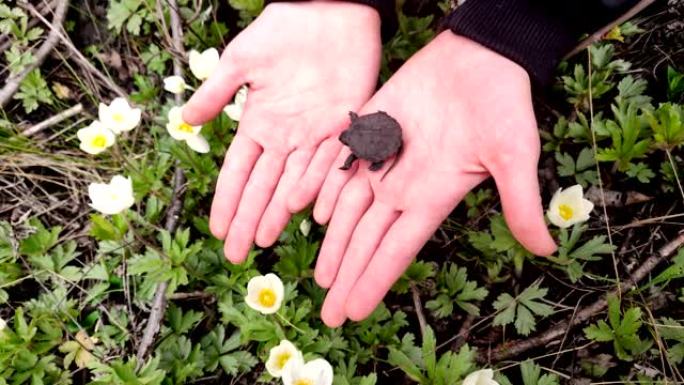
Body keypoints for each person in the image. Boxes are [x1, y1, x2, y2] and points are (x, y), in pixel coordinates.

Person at [182, 0, 639, 327]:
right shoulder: (357, 139)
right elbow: (359, 139)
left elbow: (368, 143)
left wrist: (522, 16)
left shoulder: (363, 142)